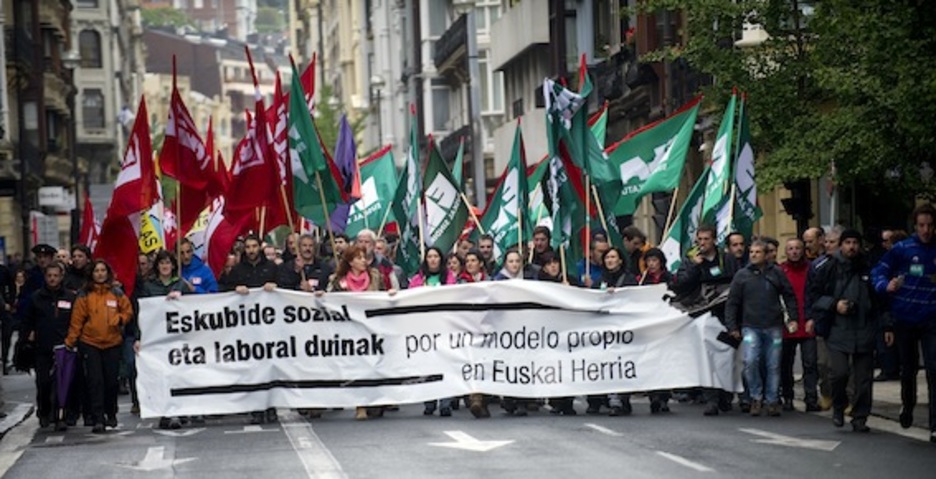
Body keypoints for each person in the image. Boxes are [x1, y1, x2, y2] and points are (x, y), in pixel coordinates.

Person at [814, 229, 891, 433]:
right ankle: (839, 406)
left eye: (855, 242)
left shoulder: (868, 267)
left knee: (863, 379)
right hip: (838, 329)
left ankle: (860, 416)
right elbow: (815, 296)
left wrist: (887, 326)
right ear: (841, 245)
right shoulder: (829, 268)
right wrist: (835, 305)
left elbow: (880, 301)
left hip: (864, 329)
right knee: (839, 373)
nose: (851, 247)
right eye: (847, 242)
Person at [872, 204, 936, 442]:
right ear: (915, 225)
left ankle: (935, 424)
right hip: (905, 318)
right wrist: (885, 285)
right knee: (908, 369)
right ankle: (908, 405)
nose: (926, 230)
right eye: (922, 225)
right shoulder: (902, 249)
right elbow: (878, 272)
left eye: (930, 225)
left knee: (934, 370)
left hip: (932, 319)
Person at [670, 224, 739, 416]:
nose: (702, 243)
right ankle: (711, 399)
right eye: (699, 239)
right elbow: (680, 284)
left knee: (726, 355)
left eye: (706, 239)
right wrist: (694, 266)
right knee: (707, 356)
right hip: (702, 314)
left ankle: (725, 394)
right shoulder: (690, 259)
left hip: (724, 314)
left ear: (714, 240)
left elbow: (737, 282)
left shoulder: (727, 259)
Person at [725, 240, 799, 417]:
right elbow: (732, 302)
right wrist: (732, 326)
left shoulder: (776, 273)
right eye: (751, 252)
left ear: (766, 255)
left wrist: (793, 318)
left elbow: (789, 295)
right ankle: (756, 396)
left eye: (758, 252)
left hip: (774, 326)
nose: (754, 255)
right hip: (750, 326)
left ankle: (772, 400)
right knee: (750, 362)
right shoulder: (742, 275)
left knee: (773, 365)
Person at [325, 244, 393, 420]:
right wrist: (320, 296)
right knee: (356, 368)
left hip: (371, 329)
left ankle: (374, 400)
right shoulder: (337, 280)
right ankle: (360, 405)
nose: (364, 261)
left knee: (373, 366)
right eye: (359, 258)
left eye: (364, 257)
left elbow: (383, 295)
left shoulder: (375, 276)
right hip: (350, 330)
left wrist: (390, 294)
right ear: (350, 262)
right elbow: (329, 301)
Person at [64, 260, 133, 433]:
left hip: (112, 342)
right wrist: (70, 341)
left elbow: (128, 311)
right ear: (92, 273)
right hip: (90, 343)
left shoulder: (116, 292)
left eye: (103, 270)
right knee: (95, 382)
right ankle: (98, 418)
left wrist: (120, 319)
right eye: (97, 271)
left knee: (111, 381)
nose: (100, 274)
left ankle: (111, 412)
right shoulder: (84, 294)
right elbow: (77, 320)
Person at [224, 234, 279, 424]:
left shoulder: (271, 268)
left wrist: (276, 286)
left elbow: (285, 287)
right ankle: (256, 407)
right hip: (247, 328)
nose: (251, 250)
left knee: (270, 367)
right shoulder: (238, 270)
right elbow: (224, 289)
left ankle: (271, 406)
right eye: (248, 247)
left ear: (259, 247)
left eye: (254, 246)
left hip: (269, 326)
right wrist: (235, 289)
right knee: (252, 368)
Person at [139, 250, 193, 429]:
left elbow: (195, 308)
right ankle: (165, 412)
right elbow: (143, 313)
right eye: (162, 263)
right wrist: (140, 337)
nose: (165, 266)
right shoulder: (148, 286)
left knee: (178, 375)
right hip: (158, 337)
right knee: (162, 375)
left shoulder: (181, 285)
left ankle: (178, 411)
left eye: (168, 263)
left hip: (178, 337)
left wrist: (182, 298)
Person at [21, 263, 77, 430]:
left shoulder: (70, 297)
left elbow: (76, 320)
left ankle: (61, 416)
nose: (52, 279)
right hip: (42, 347)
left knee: (63, 383)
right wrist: (27, 336)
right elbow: (27, 320)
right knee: (43, 382)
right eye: (49, 276)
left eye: (55, 275)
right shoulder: (36, 298)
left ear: (61, 277)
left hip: (64, 346)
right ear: (45, 277)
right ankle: (44, 411)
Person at [408, 247, 458, 417]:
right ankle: (429, 401)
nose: (433, 259)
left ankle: (445, 403)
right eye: (430, 256)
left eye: (436, 256)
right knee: (428, 365)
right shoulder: (417, 279)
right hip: (424, 328)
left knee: (446, 365)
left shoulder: (450, 278)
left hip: (444, 327)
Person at [592, 247, 638, 416]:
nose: (610, 260)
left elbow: (635, 299)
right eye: (607, 258)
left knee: (621, 363)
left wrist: (618, 294)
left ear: (620, 260)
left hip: (624, 329)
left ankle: (622, 400)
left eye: (613, 257)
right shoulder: (600, 280)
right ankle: (611, 399)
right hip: (605, 330)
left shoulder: (629, 279)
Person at [780, 238, 820, 412]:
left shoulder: (812, 269)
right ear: (786, 252)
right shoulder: (780, 270)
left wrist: (814, 317)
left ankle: (811, 399)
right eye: (791, 248)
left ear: (803, 250)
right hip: (787, 324)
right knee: (785, 364)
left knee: (810, 363)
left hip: (807, 322)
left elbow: (817, 294)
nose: (794, 251)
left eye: (797, 248)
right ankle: (787, 397)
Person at [805, 225, 843, 411]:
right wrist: (811, 317)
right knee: (823, 363)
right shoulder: (818, 265)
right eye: (826, 242)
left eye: (832, 242)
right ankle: (827, 393)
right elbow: (812, 293)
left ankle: (847, 398)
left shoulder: (851, 264)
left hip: (845, 321)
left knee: (844, 365)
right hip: (823, 319)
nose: (828, 245)